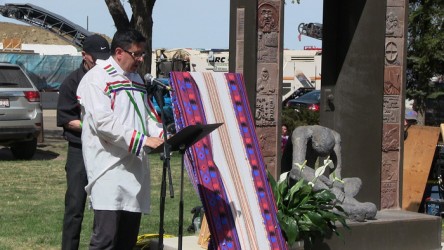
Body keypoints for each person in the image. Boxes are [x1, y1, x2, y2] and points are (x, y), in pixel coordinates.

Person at [76, 29, 164, 250]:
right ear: (118, 52)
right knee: (106, 240)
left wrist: (163, 135)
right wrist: (144, 141)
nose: (141, 59)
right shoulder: (96, 78)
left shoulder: (136, 80)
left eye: (143, 54)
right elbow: (103, 123)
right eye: (137, 54)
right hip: (108, 170)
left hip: (134, 171)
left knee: (127, 240)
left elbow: (146, 117)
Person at [57, 34, 110, 250]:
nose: (99, 61)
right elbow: (67, 120)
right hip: (79, 149)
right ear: (84, 55)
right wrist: (92, 126)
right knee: (75, 206)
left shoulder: (109, 78)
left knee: (105, 206)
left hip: (104, 149)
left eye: (103, 57)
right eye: (95, 57)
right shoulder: (72, 81)